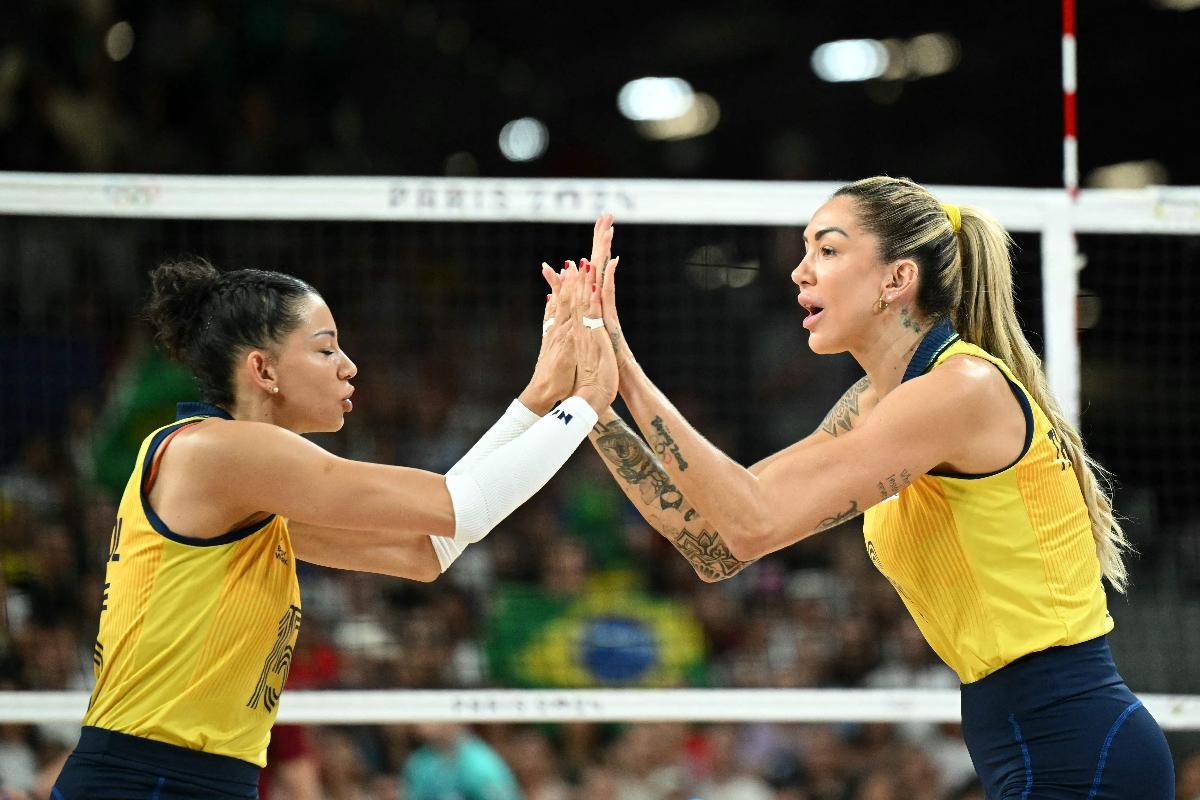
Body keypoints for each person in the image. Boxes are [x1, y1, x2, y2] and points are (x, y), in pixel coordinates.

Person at [576, 179, 1175, 798]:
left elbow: (752, 524)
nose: (800, 271)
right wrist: (593, 404)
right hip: (1021, 738)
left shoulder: (960, 389)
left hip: (1077, 743)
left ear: (897, 279)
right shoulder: (873, 403)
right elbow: (716, 542)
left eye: (828, 250)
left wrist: (625, 367)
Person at [52, 257, 616, 799]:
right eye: (325, 349)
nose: (349, 366)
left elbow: (428, 550)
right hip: (147, 777)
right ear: (262, 370)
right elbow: (464, 506)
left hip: (202, 777)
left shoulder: (246, 488)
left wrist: (542, 397)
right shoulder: (219, 454)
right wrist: (588, 401)